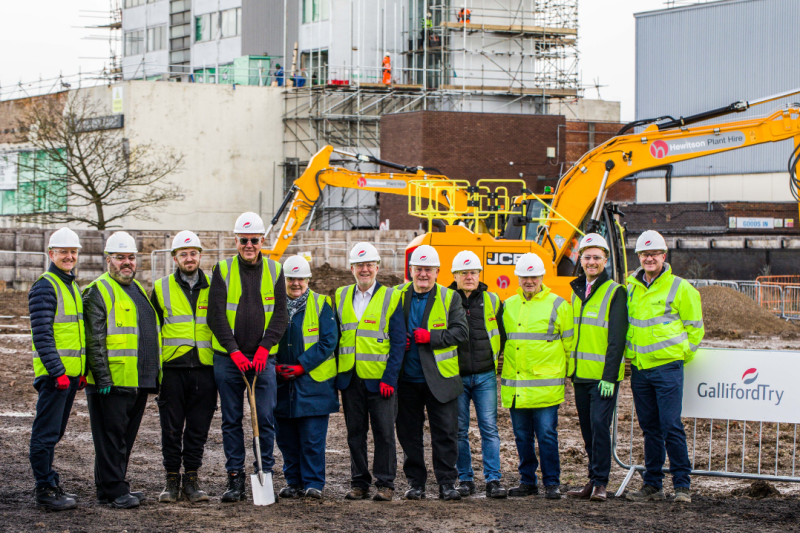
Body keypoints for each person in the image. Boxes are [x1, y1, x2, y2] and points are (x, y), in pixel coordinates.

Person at [208, 212, 288, 502]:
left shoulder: (275, 271)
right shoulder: (223, 269)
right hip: (229, 361)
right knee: (231, 419)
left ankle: (264, 469)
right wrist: (235, 352)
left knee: (265, 417)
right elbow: (215, 317)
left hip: (262, 360)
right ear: (236, 241)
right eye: (244, 240)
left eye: (254, 240)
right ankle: (235, 478)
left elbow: (280, 316)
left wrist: (264, 349)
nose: (249, 245)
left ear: (262, 240)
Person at [624, 230, 704, 504]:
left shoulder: (680, 288)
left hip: (667, 368)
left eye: (654, 254)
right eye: (644, 254)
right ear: (639, 257)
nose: (649, 258)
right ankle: (652, 484)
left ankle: (682, 485)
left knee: (671, 425)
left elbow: (695, 330)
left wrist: (680, 355)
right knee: (650, 428)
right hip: (641, 370)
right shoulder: (631, 287)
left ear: (663, 256)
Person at [83, 231, 161, 509]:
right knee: (111, 439)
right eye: (120, 258)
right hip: (111, 381)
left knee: (124, 438)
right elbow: (93, 338)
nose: (126, 263)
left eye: (130, 257)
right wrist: (102, 375)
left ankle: (110, 488)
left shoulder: (136, 288)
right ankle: (115, 490)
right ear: (108, 260)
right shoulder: (97, 290)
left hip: (136, 379)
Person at [395, 245, 468, 501]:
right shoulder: (396, 295)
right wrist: (396, 340)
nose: (423, 274)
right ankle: (416, 483)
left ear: (437, 272)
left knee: (445, 434)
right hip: (406, 379)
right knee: (408, 434)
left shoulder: (450, 298)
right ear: (410, 270)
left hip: (440, 379)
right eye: (418, 269)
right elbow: (384, 328)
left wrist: (432, 337)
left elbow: (461, 332)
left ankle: (447, 483)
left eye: (428, 270)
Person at [335, 242, 405, 501]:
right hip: (350, 377)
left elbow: (399, 342)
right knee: (355, 433)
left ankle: (385, 484)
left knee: (384, 433)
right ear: (351, 268)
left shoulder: (391, 296)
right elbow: (337, 337)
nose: (364, 270)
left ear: (377, 267)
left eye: (369, 265)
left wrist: (390, 377)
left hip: (380, 379)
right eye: (359, 265)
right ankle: (359, 483)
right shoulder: (341, 295)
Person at [501, 253, 574, 500]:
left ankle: (552, 482)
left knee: (546, 436)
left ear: (542, 277)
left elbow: (569, 344)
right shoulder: (508, 305)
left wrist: (570, 374)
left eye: (533, 276)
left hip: (545, 387)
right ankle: (527, 482)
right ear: (518, 279)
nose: (529, 281)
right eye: (524, 277)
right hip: (518, 385)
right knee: (522, 437)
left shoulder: (558, 304)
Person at [151, 231, 216, 504]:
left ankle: (191, 478)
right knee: (171, 428)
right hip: (172, 369)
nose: (189, 258)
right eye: (183, 254)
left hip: (206, 368)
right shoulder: (160, 287)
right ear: (175, 257)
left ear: (200, 255)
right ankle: (171, 479)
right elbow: (152, 332)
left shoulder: (215, 286)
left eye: (193, 253)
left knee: (198, 429)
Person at [565, 234, 627, 502]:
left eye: (596, 257)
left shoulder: (615, 291)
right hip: (580, 376)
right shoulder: (576, 290)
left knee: (600, 426)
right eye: (587, 257)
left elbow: (617, 338)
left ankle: (602, 482)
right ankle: (592, 479)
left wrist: (610, 377)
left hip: (602, 378)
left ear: (605, 260)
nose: (591, 262)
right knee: (588, 430)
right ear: (580, 259)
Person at [28, 228, 85, 511]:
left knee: (55, 432)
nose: (69, 256)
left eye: (73, 252)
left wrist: (80, 371)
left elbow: (74, 333)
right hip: (56, 377)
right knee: (45, 434)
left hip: (70, 376)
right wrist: (57, 371)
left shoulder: (71, 285)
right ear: (52, 254)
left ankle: (49, 483)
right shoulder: (46, 285)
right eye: (63, 251)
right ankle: (45, 488)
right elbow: (42, 334)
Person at [275, 256, 338, 500]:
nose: (296, 283)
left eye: (300, 278)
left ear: (309, 279)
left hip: (314, 386)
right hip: (281, 384)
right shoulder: (273, 306)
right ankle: (293, 482)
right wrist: (275, 366)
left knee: (312, 439)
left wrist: (302, 366)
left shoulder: (322, 304)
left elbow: (328, 341)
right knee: (287, 439)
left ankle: (313, 483)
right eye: (291, 278)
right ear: (284, 280)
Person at [447, 251, 507, 499]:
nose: (469, 277)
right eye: (464, 272)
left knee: (489, 429)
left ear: (479, 274)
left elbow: (501, 335)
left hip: (484, 376)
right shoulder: (446, 300)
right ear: (455, 276)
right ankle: (466, 479)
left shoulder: (492, 300)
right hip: (456, 376)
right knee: (459, 430)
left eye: (473, 272)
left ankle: (493, 480)